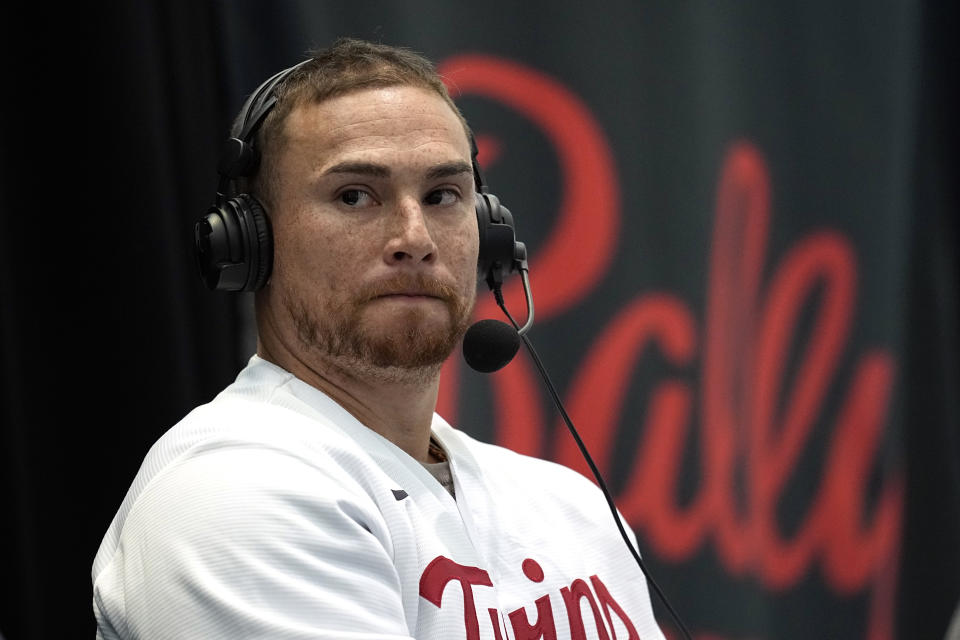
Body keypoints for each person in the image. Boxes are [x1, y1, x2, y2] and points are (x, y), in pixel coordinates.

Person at [92, 38, 667, 640]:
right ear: (251, 242)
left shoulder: (571, 508)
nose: (414, 237)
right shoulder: (229, 494)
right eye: (355, 196)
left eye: (443, 195)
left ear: (489, 234)